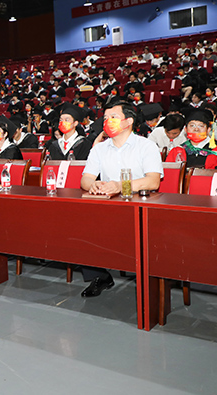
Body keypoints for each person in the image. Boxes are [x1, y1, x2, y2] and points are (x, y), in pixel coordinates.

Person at [80, 101, 163, 297]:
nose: (107, 121)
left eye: (113, 117)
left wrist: (120, 185)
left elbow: (153, 181)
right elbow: (85, 179)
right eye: (105, 118)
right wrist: (93, 185)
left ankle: (146, 275)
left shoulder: (146, 146)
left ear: (129, 121)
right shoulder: (99, 149)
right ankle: (100, 276)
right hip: (107, 205)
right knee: (80, 225)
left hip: (140, 205)